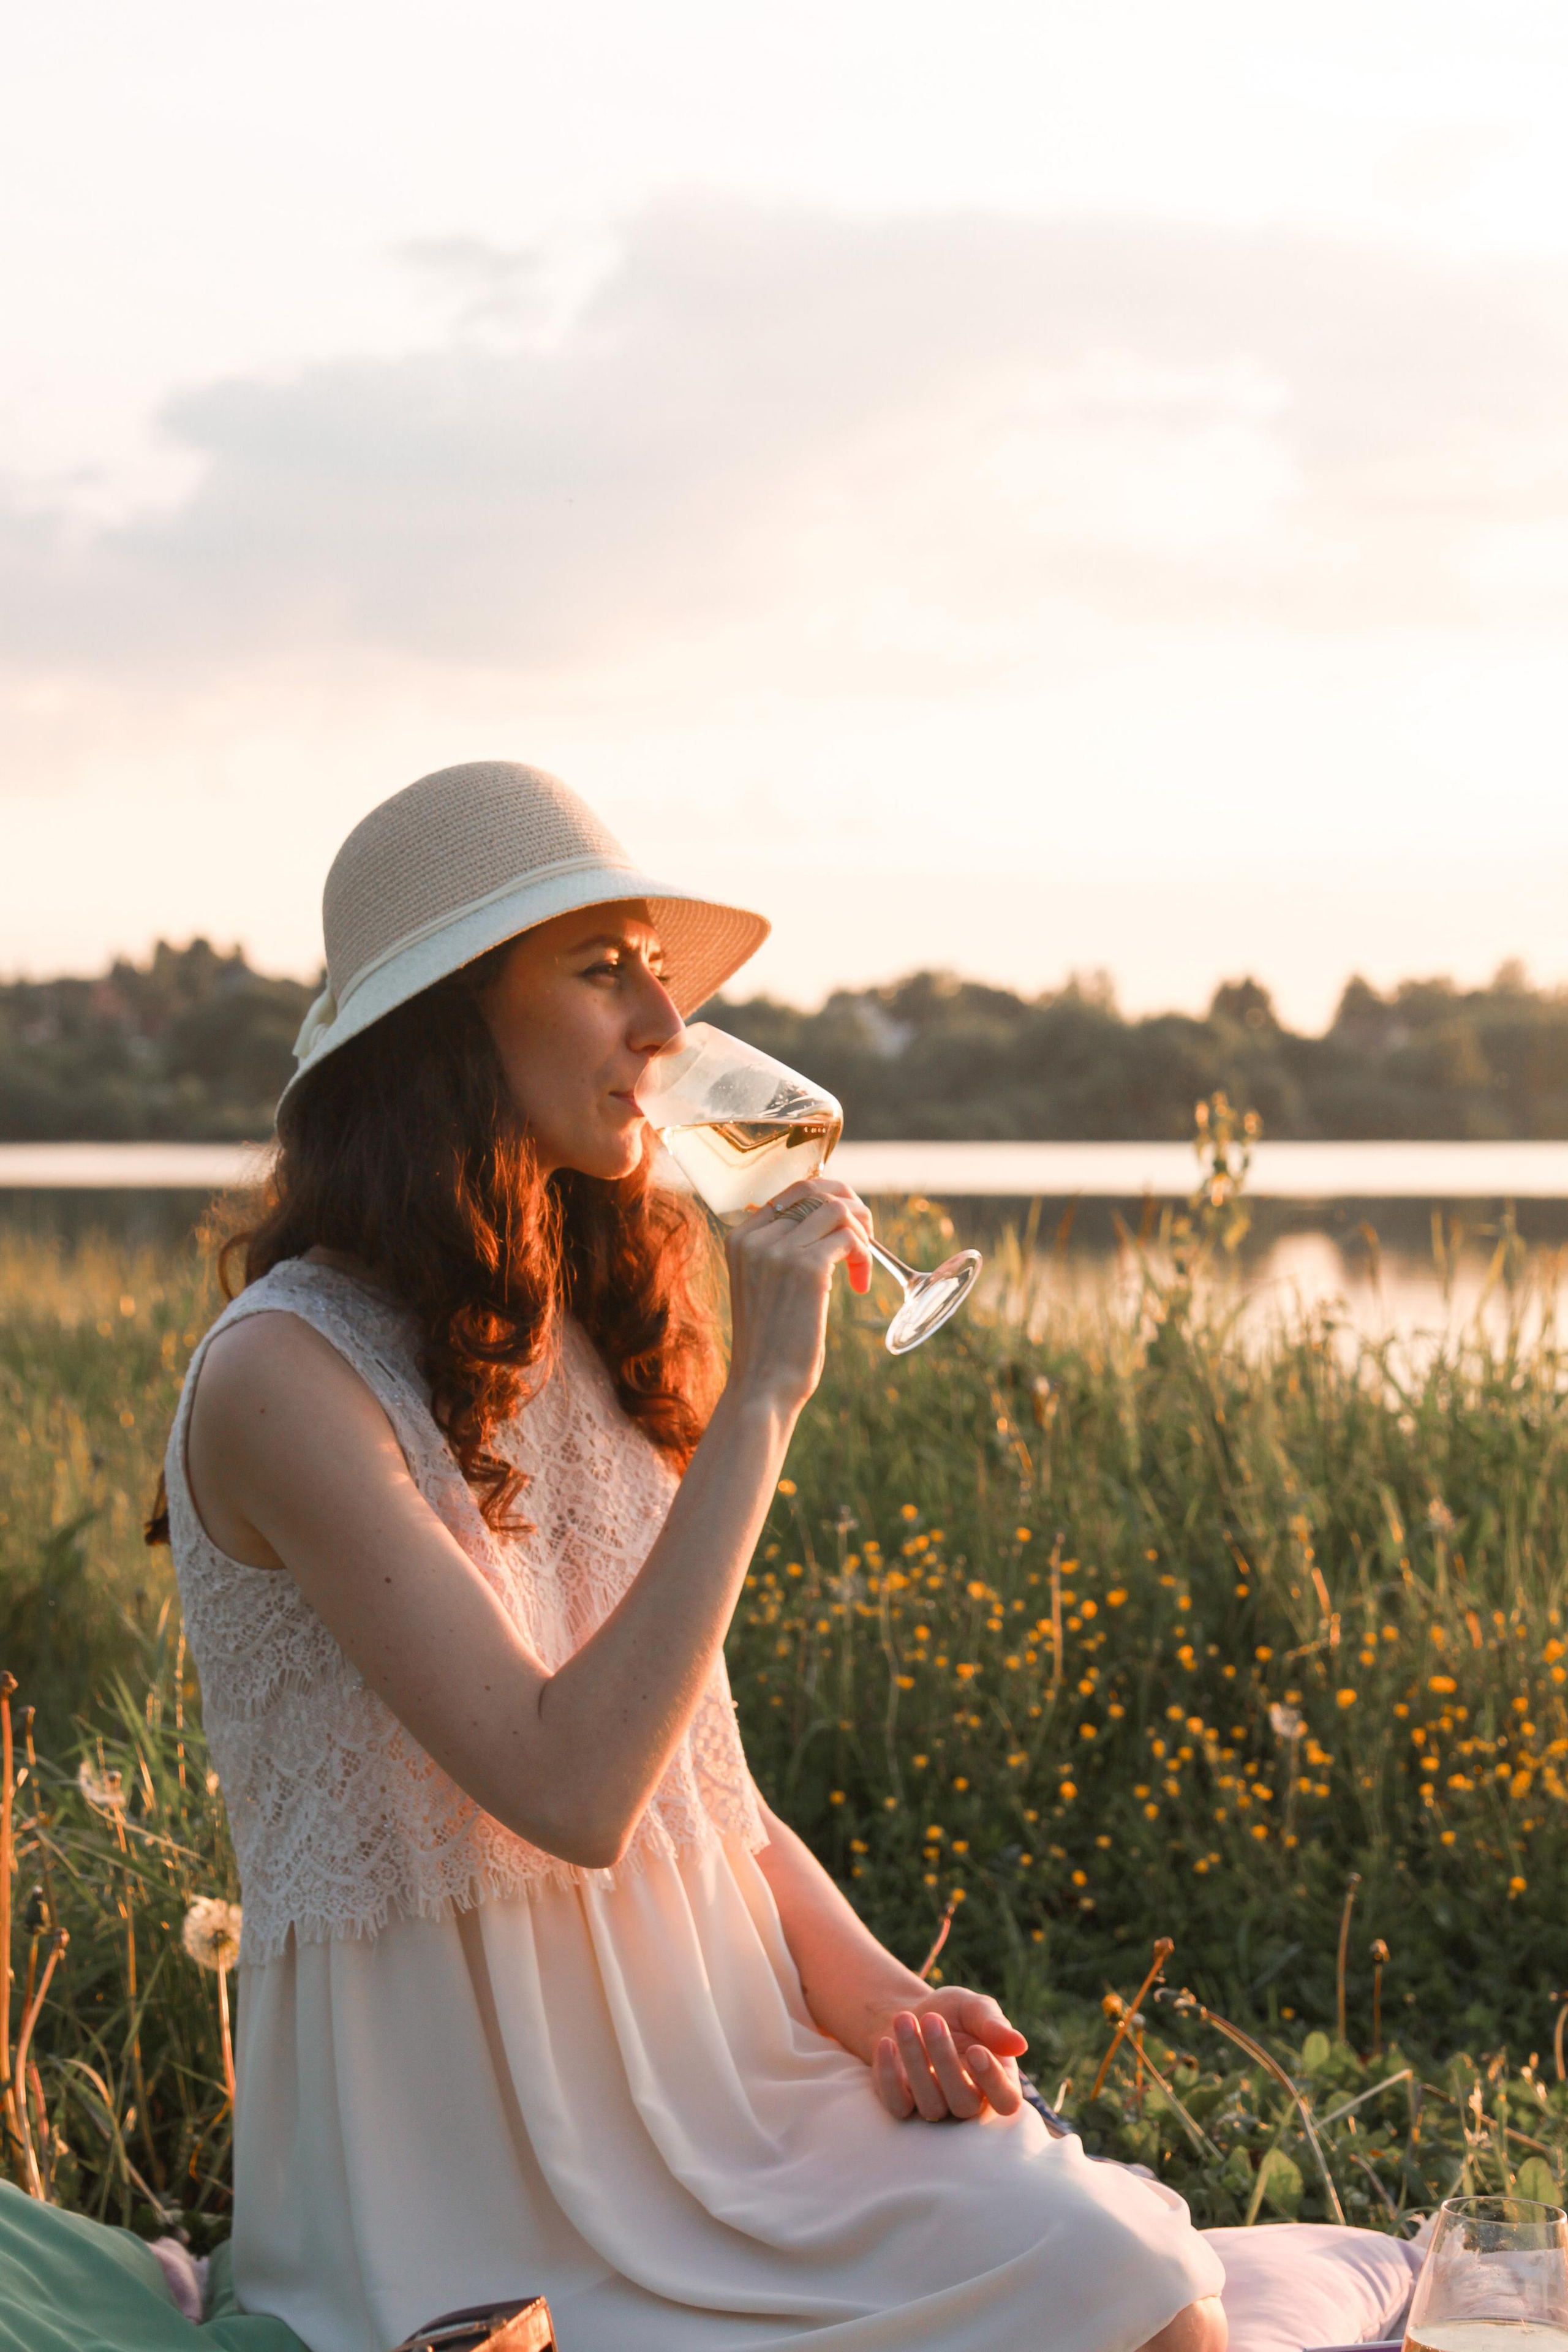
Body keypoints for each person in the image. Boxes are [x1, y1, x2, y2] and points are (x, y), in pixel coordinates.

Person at [157, 762, 1227, 2352]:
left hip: (725, 2068)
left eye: (661, 972)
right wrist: (768, 1396)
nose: (666, 1026)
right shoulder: (282, 1376)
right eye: (605, 971)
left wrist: (879, 1995)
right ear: (446, 1029)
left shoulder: (590, 1315)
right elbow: (575, 1790)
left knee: (1135, 2284)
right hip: (457, 2146)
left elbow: (692, 1777)